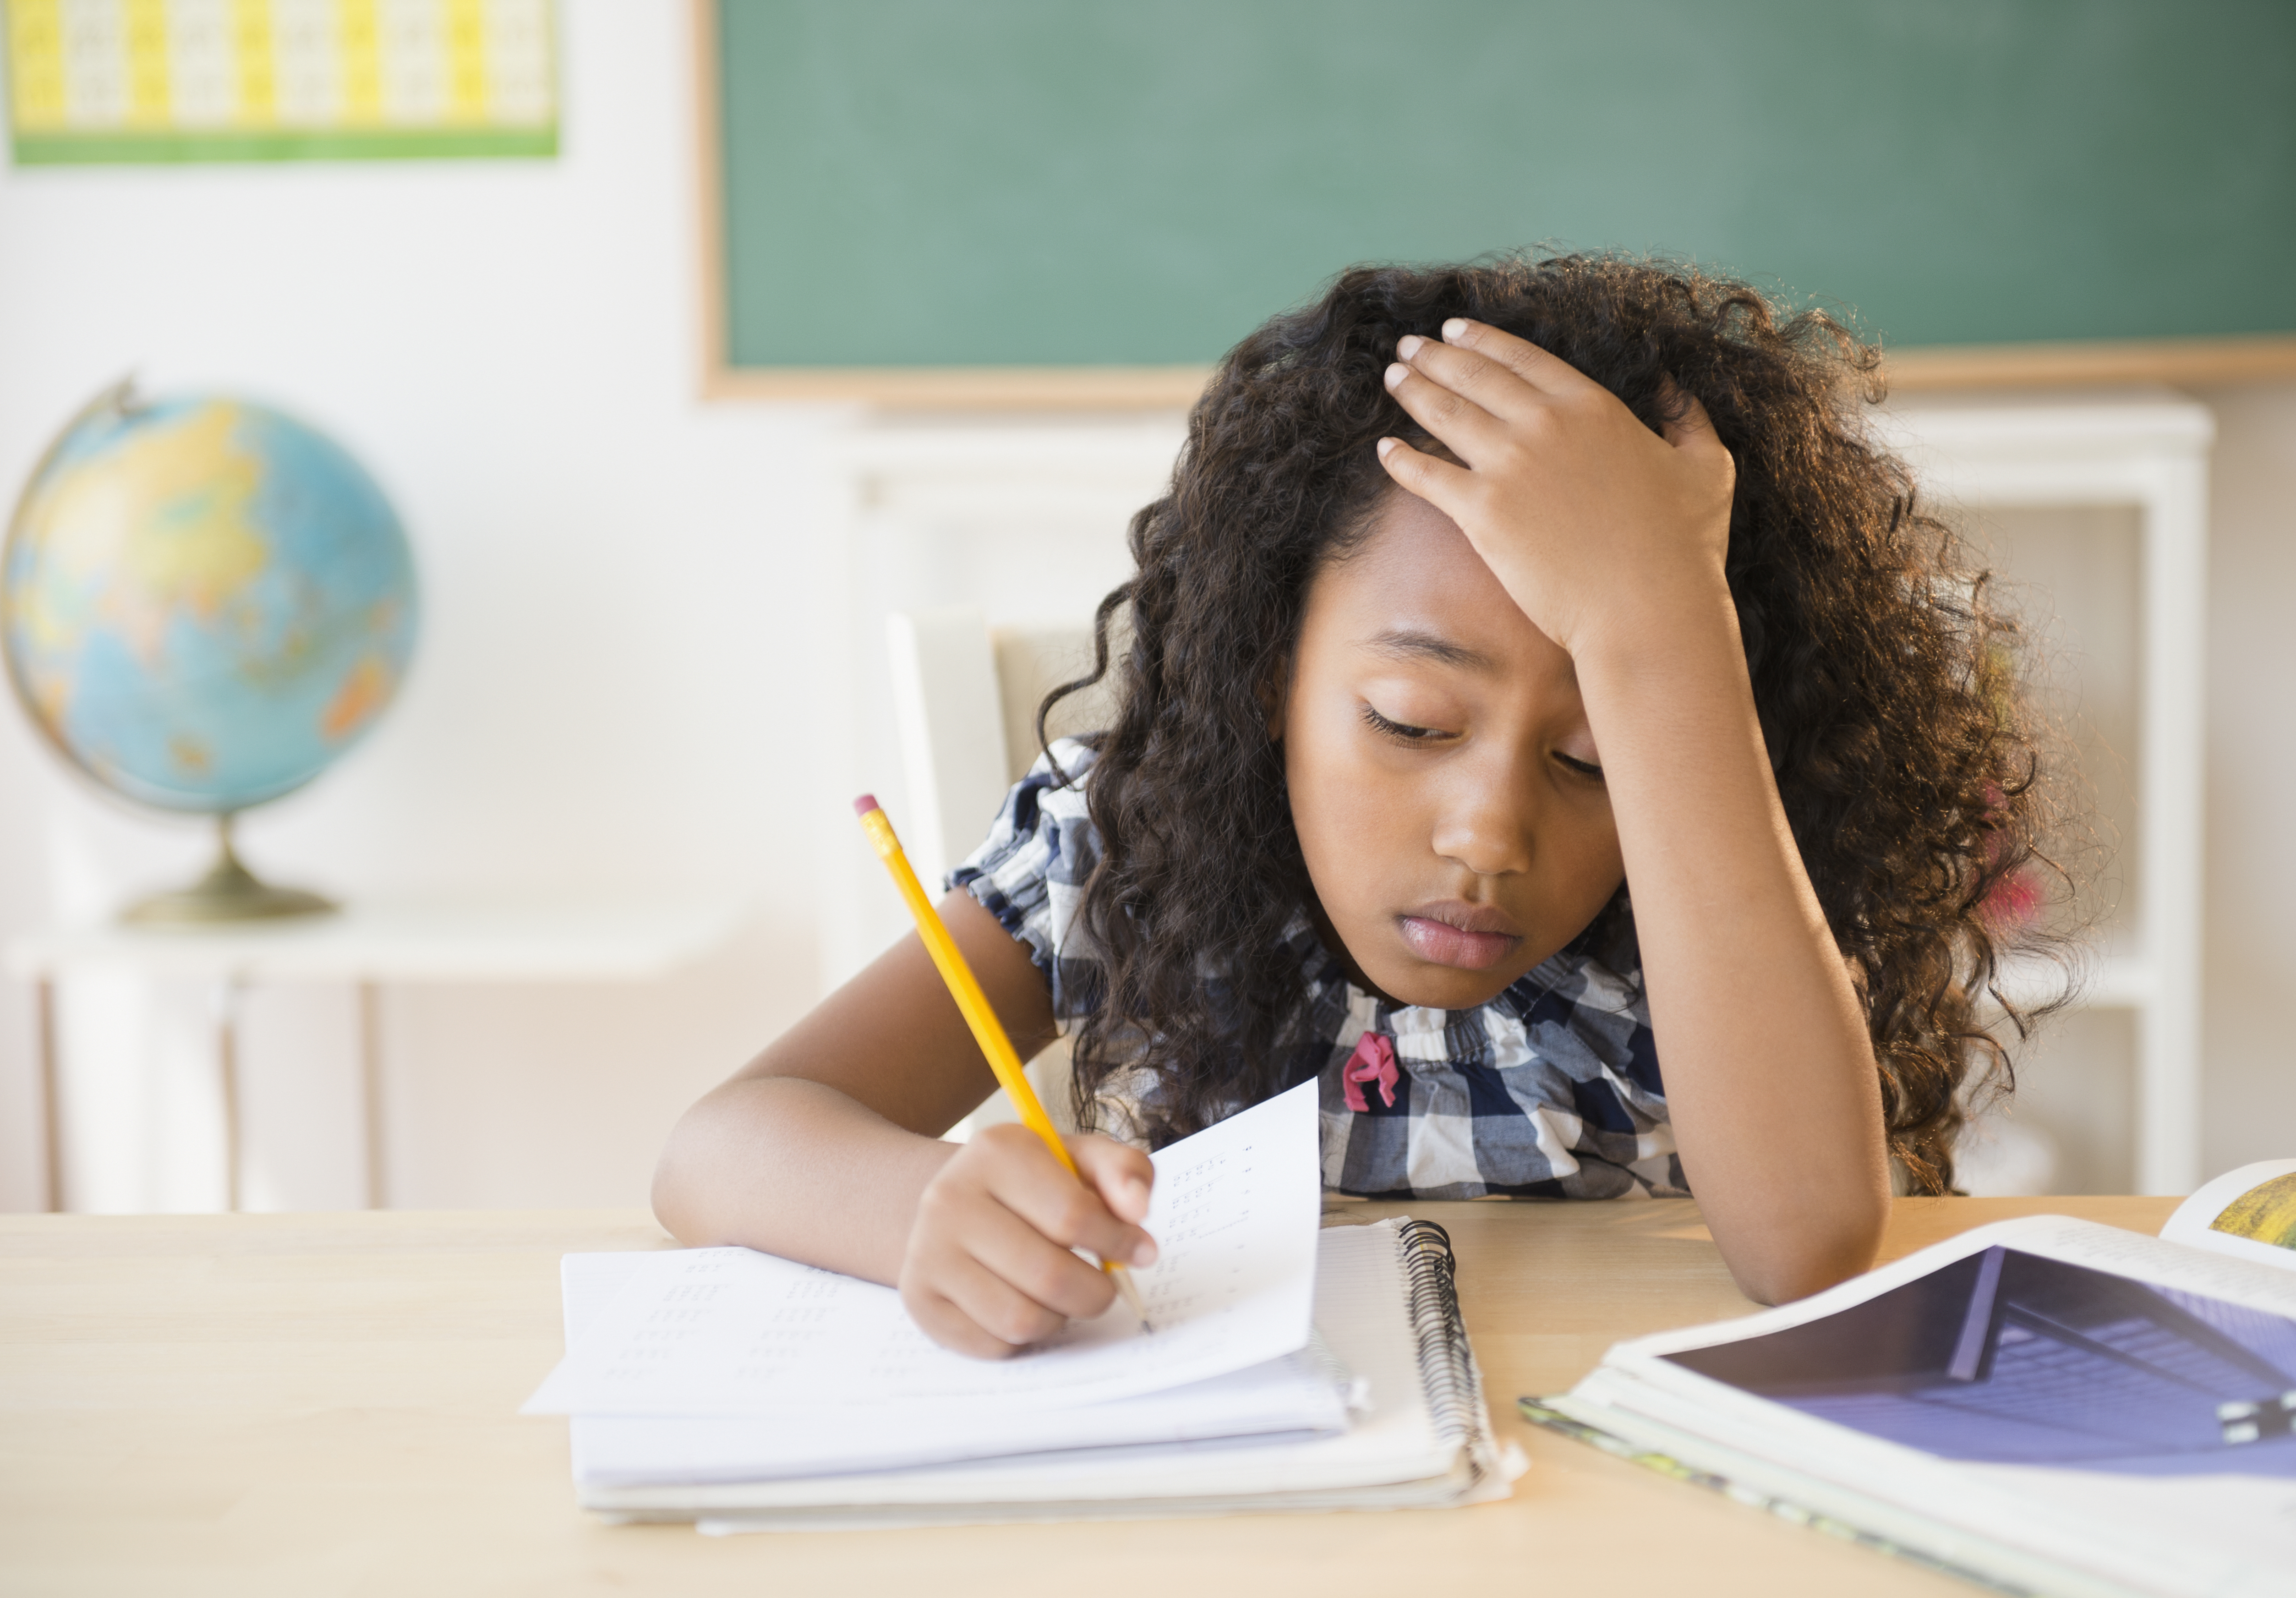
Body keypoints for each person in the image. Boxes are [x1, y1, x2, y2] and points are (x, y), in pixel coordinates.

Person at [653, 253, 2066, 1359]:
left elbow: (1807, 1246)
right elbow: (720, 1144)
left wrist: (1661, 628)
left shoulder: (1699, 876)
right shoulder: (1122, 842)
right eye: (1410, 723)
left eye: (1590, 757)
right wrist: (924, 1211)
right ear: (1267, 672)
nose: (1485, 834)